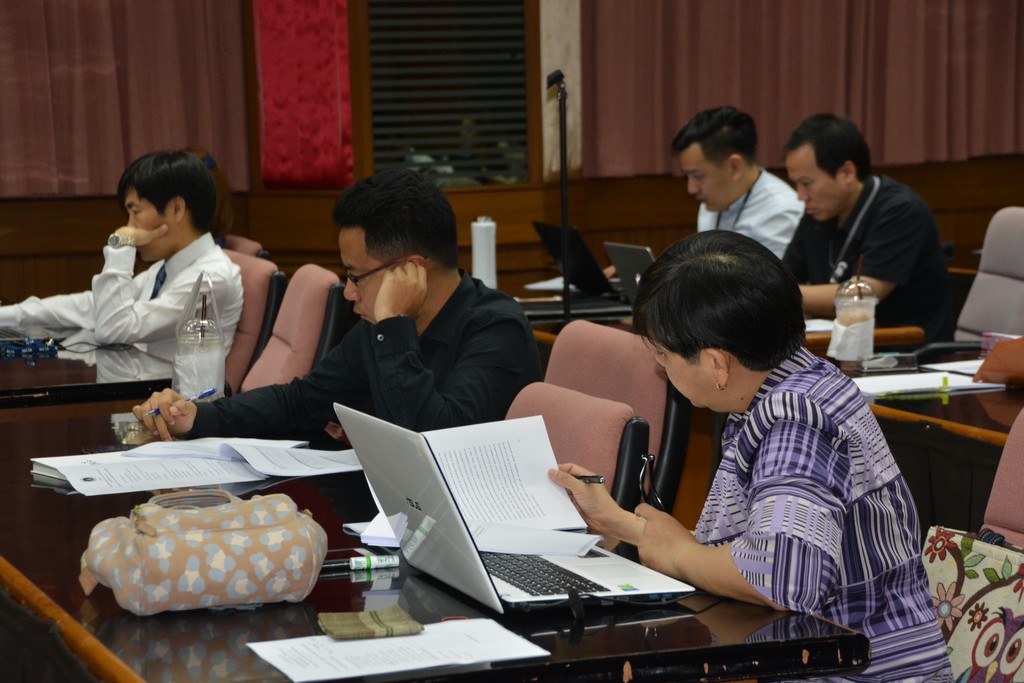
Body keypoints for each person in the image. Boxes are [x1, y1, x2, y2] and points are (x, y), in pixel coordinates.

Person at [550, 231, 952, 681]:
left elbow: (783, 577)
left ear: (717, 363)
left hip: (865, 670)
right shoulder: (796, 379)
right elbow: (760, 545)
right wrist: (622, 523)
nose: (660, 366)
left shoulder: (796, 420)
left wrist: (678, 555)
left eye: (662, 353)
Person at [133, 169, 543, 445]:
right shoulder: (377, 329)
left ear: (411, 271)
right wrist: (198, 417)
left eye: (356, 275)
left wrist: (394, 328)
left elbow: (436, 444)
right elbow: (301, 401)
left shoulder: (497, 330)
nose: (349, 292)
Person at [0, 151, 243, 350]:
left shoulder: (209, 278)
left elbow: (113, 329)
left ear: (176, 210)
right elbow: (91, 306)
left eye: (135, 212)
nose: (130, 226)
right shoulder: (165, 269)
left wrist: (122, 244)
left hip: (172, 395)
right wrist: (9, 315)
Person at [782, 113, 953, 344]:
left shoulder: (900, 210)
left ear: (847, 172)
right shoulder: (818, 212)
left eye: (806, 183)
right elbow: (785, 276)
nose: (800, 196)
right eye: (796, 184)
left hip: (905, 350)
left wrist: (778, 294)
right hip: (838, 345)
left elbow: (859, 297)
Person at [672, 106, 803, 259]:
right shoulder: (712, 201)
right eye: (687, 176)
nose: (691, 189)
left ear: (734, 167)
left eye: (697, 176)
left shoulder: (782, 213)